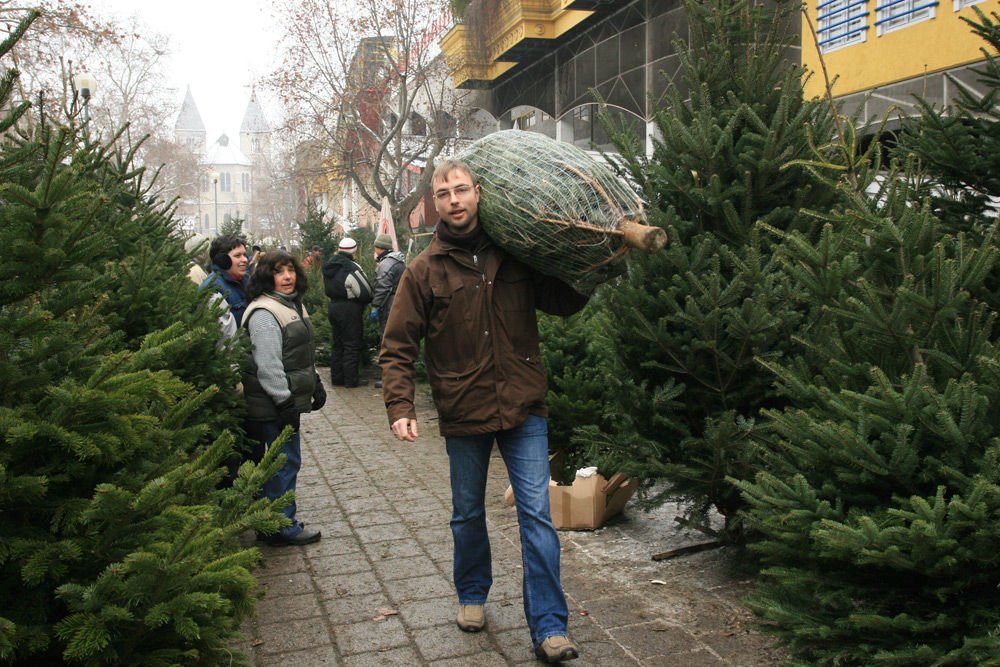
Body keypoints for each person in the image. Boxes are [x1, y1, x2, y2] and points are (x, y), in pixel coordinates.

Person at [379, 159, 587, 664]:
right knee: (467, 513)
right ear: (435, 202)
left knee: (536, 514)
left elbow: (563, 301)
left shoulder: (515, 255)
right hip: (463, 408)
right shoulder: (424, 270)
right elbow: (397, 345)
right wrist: (399, 405)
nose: (454, 200)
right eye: (444, 192)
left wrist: (593, 264)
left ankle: (549, 626)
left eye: (462, 190)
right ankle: (473, 594)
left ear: (478, 193)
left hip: (523, 405)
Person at [241, 250, 326, 546]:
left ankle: (276, 521)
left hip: (283, 401)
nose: (287, 276)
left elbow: (299, 354)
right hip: (272, 405)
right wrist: (284, 401)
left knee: (285, 461)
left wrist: (314, 384)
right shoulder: (265, 313)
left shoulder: (290, 305)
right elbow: (268, 364)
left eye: (290, 269)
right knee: (283, 462)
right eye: (279, 271)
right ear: (267, 276)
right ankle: (280, 527)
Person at [322, 237, 373, 388]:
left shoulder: (329, 265)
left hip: (333, 306)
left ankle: (337, 379)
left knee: (338, 344)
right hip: (349, 308)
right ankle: (351, 380)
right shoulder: (351, 267)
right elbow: (365, 291)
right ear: (354, 250)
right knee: (351, 344)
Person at [370, 233, 405, 388]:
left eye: (376, 247)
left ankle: (388, 379)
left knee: (387, 341)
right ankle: (399, 377)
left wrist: (375, 307)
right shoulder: (399, 261)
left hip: (389, 306)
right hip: (399, 304)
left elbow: (382, 287)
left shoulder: (386, 264)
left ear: (380, 248)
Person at [199, 234, 250, 327]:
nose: (245, 259)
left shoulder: (246, 280)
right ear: (222, 260)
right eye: (238, 255)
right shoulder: (213, 288)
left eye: (245, 255)